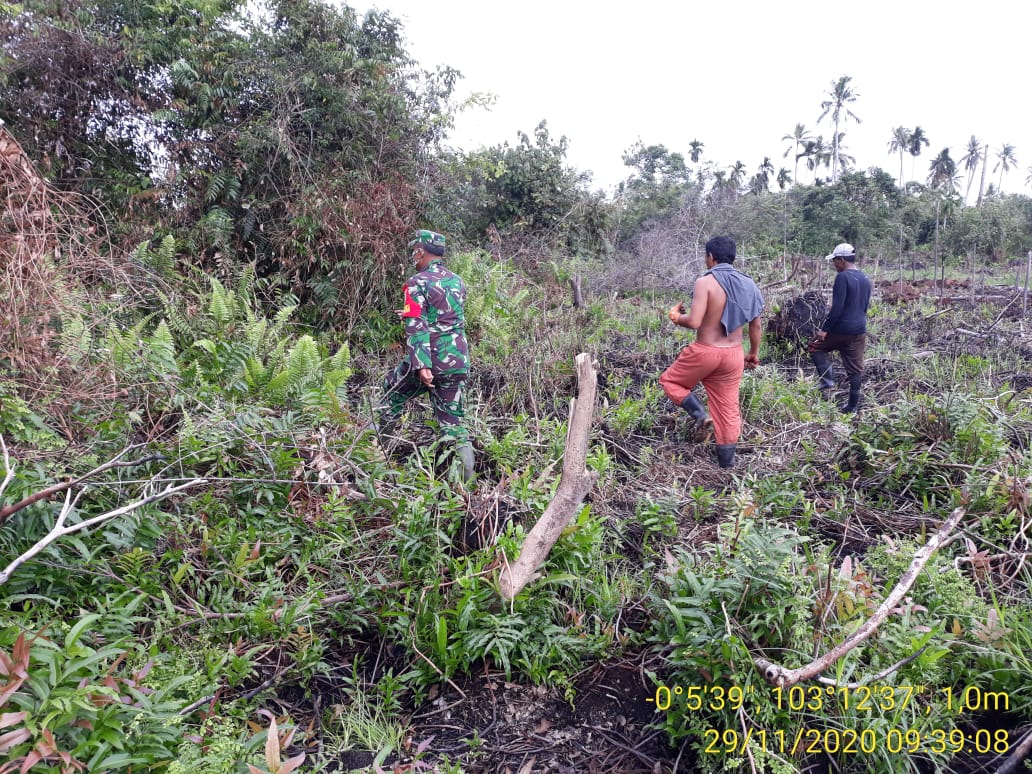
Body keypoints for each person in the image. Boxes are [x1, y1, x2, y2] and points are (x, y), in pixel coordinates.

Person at [377, 229, 475, 480]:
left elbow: (417, 323)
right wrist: (410, 312)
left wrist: (421, 364)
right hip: (458, 359)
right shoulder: (457, 280)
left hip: (431, 358)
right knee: (453, 423)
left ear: (421, 251)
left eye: (414, 250)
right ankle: (467, 486)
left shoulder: (416, 282)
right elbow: (445, 316)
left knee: (391, 393)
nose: (413, 254)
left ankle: (375, 460)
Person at [658, 236, 764, 469]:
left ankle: (700, 415)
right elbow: (756, 326)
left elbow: (695, 321)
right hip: (734, 355)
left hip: (705, 352)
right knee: (727, 409)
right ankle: (727, 466)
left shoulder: (705, 282)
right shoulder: (750, 284)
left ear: (710, 256)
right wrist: (753, 354)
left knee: (670, 381)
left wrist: (675, 317)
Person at [808, 242, 872, 414]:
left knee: (815, 347)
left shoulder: (843, 277)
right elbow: (865, 306)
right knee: (856, 369)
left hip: (841, 328)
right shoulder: (865, 278)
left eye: (835, 261)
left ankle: (827, 381)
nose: (834, 264)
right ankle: (852, 407)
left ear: (842, 260)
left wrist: (824, 329)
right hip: (859, 330)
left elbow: (837, 308)